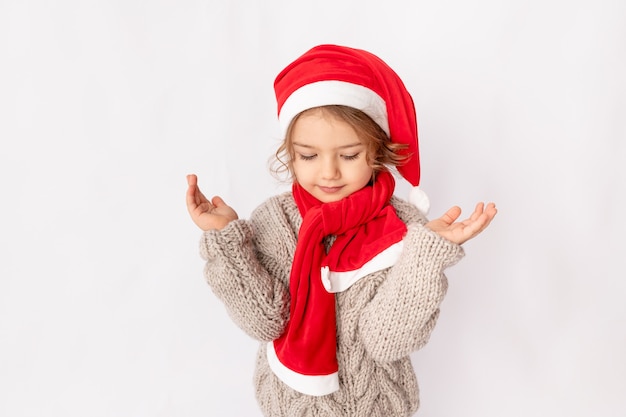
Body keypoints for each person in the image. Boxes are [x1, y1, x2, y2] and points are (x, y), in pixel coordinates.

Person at [186, 44, 497, 417]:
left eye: (349, 155)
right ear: (290, 153)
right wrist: (225, 238)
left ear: (378, 150)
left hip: (379, 407)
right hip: (290, 408)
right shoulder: (274, 222)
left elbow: (387, 341)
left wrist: (425, 258)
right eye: (308, 155)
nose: (329, 172)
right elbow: (264, 320)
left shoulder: (406, 229)